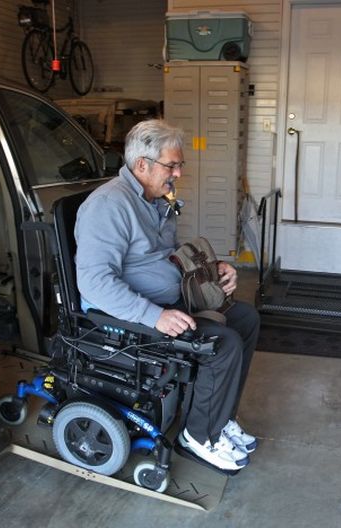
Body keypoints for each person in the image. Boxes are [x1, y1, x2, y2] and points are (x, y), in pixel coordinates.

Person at [75, 119, 260, 472]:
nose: (177, 173)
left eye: (179, 165)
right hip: (129, 315)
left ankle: (219, 417)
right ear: (142, 165)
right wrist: (153, 315)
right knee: (222, 344)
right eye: (171, 165)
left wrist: (213, 269)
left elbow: (167, 254)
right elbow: (95, 282)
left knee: (245, 319)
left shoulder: (154, 199)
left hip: (168, 301)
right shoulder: (109, 206)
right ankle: (199, 436)